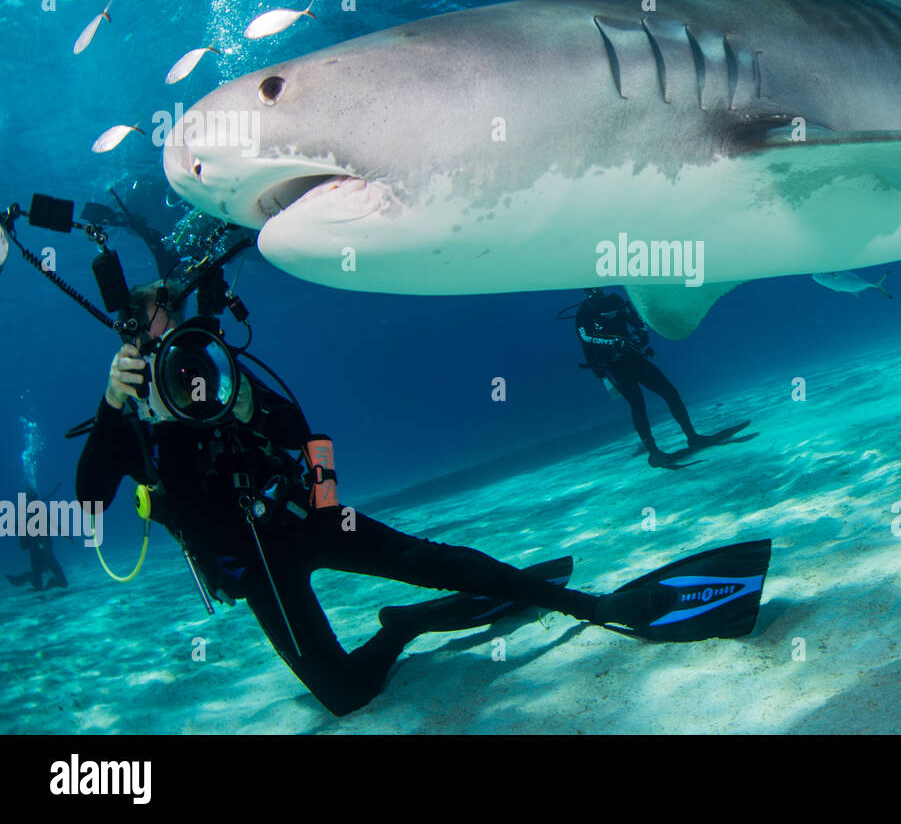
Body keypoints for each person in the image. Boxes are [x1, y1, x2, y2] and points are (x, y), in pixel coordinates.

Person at [76, 280, 768, 716]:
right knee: (345, 696)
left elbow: (300, 428)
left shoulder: (223, 374)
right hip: (249, 565)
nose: (177, 357)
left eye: (180, 336)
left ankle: (593, 606)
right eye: (155, 339)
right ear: (132, 343)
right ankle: (406, 623)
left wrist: (270, 428)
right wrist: (114, 406)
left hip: (304, 513)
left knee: (432, 557)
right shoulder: (128, 408)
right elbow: (88, 497)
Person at [575, 288, 747, 467]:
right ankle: (654, 453)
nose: (596, 292)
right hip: (614, 365)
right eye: (591, 289)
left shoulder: (615, 301)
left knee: (670, 393)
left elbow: (635, 318)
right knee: (637, 405)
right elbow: (586, 337)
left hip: (635, 358)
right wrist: (617, 343)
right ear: (586, 292)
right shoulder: (584, 312)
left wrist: (642, 332)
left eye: (598, 288)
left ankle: (693, 437)